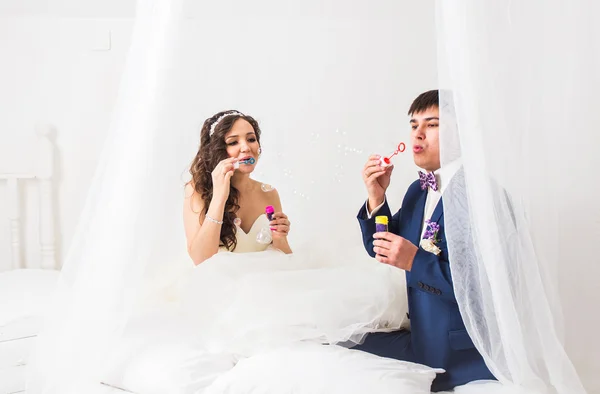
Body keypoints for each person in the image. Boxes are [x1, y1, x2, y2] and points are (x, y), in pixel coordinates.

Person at [353, 90, 496, 391]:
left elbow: (479, 290)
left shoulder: (481, 197)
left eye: (431, 124)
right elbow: (382, 247)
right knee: (337, 346)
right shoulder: (417, 191)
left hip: (462, 356)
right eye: (414, 124)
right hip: (422, 341)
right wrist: (376, 199)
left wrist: (414, 260)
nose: (418, 133)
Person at [183, 110, 292, 262]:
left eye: (251, 139)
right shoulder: (197, 190)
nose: (246, 147)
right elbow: (200, 260)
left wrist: (280, 237)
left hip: (264, 279)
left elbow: (285, 259)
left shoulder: (269, 193)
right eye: (233, 142)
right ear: (217, 151)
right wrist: (219, 198)